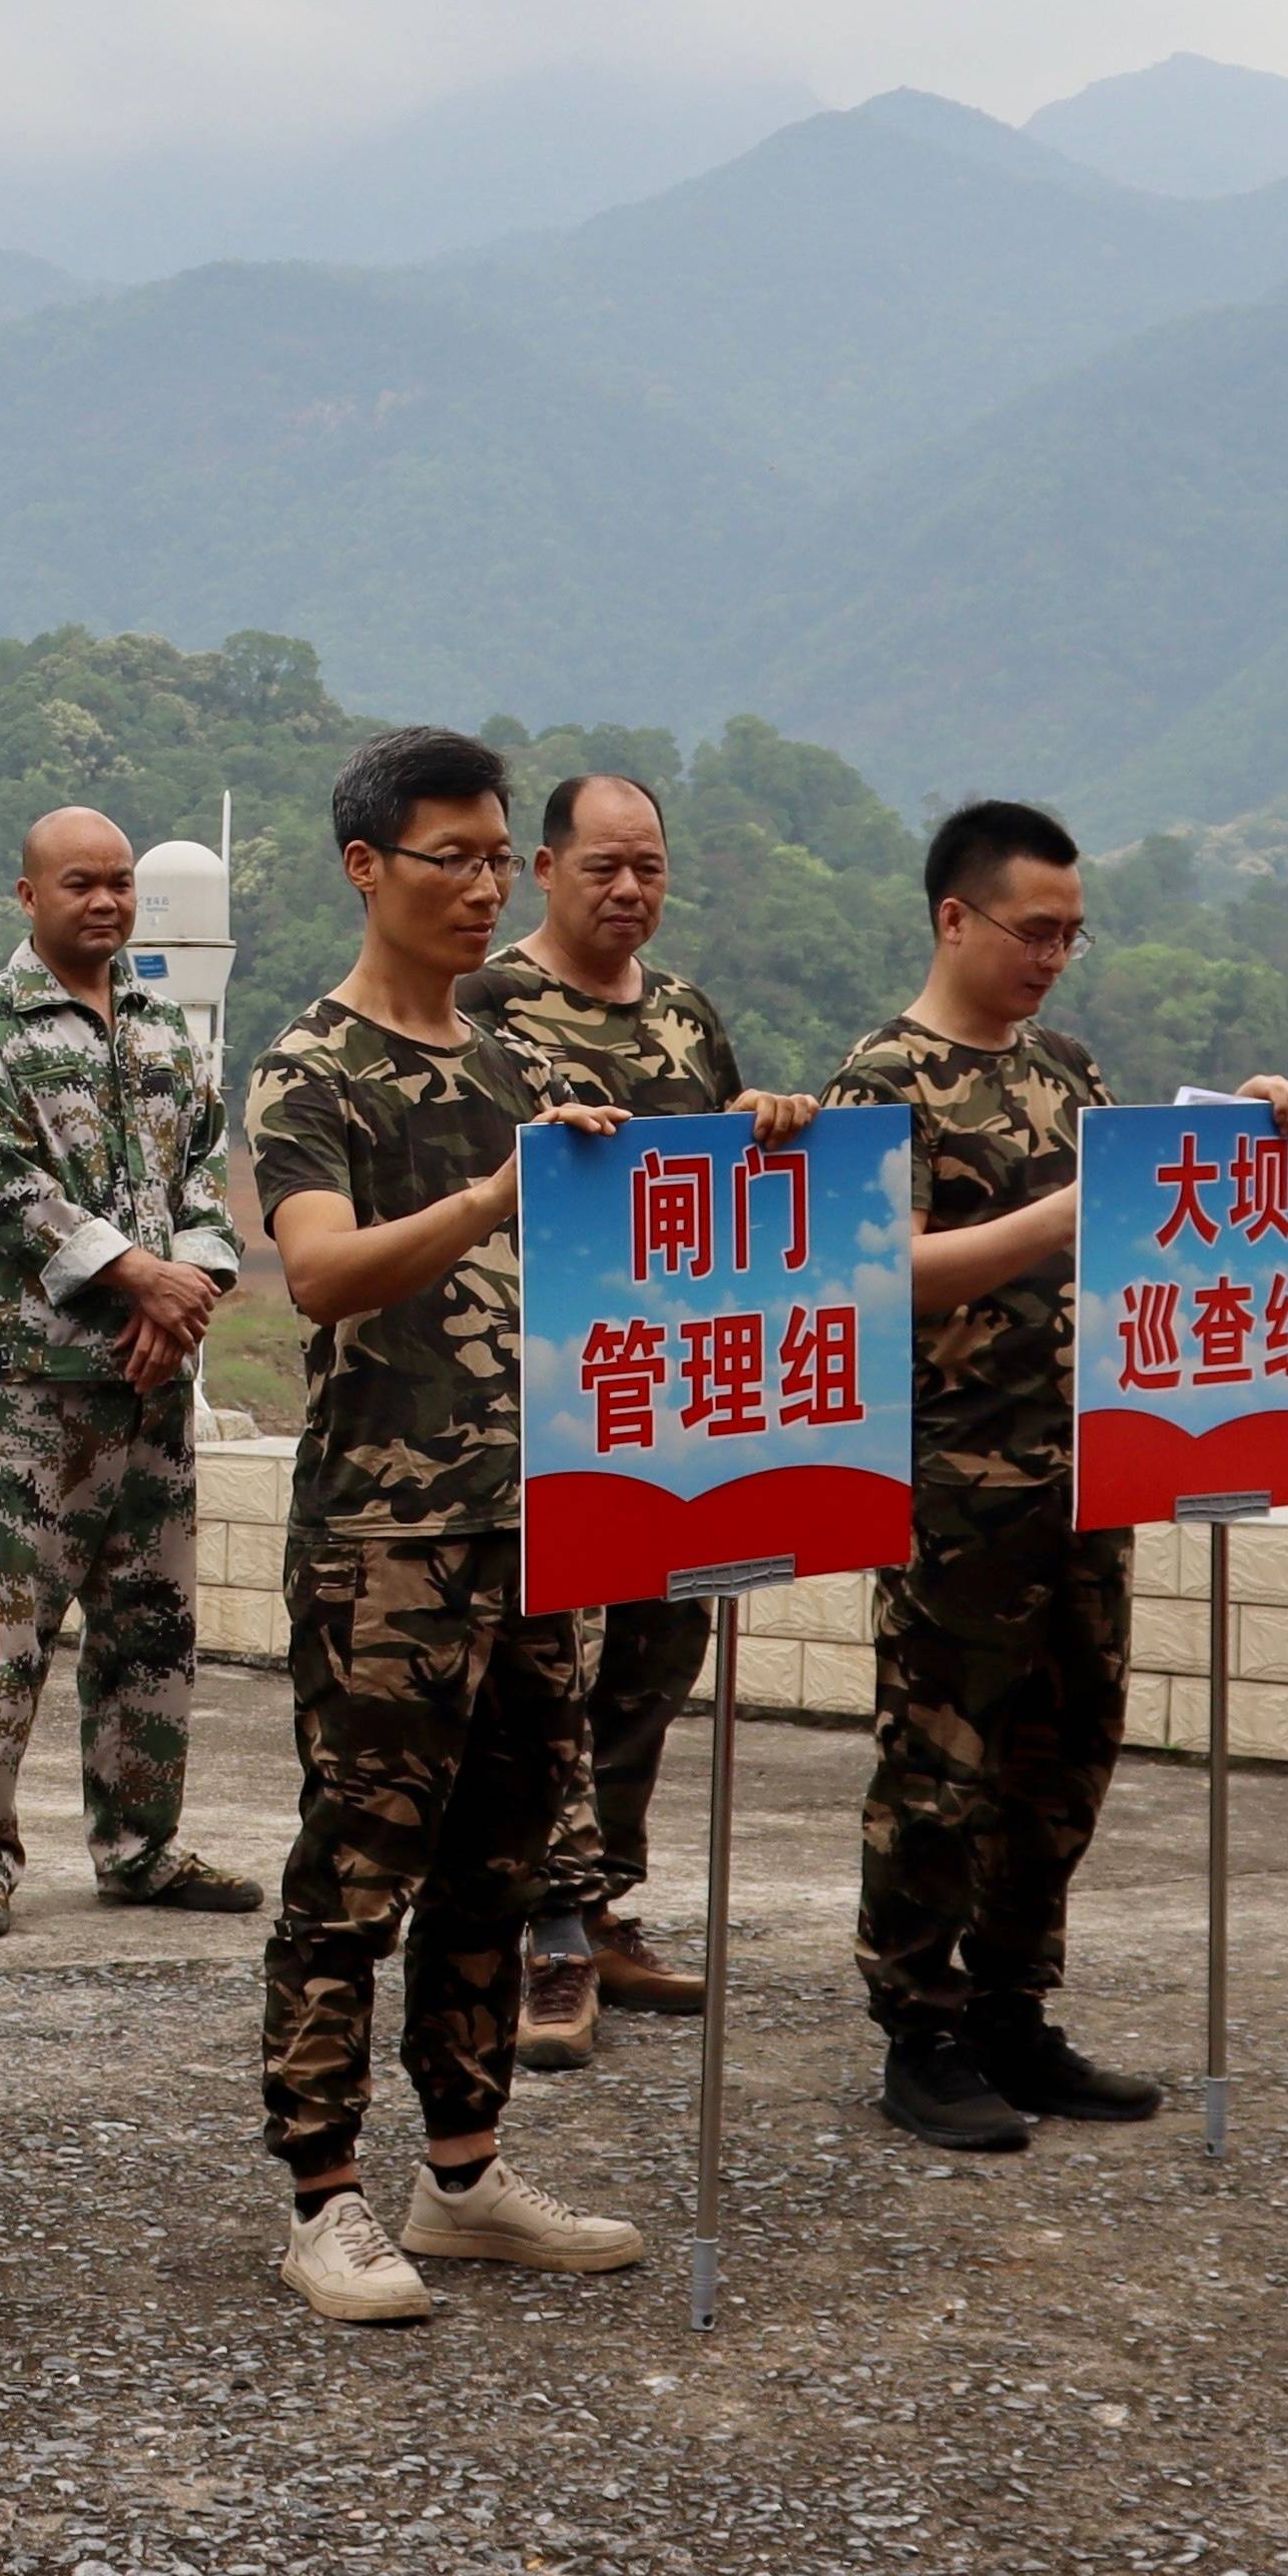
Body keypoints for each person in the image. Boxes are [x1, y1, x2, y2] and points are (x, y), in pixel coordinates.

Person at [246, 727, 814, 2323]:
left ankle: (468, 2172)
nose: (488, 887)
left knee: (499, 1869)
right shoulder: (317, 1069)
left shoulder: (533, 1071)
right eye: (455, 858)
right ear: (368, 868)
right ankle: (322, 2199)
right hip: (387, 1543)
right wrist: (490, 1201)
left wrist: (758, 1146)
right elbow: (321, 1271)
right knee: (353, 1880)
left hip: (541, 1530)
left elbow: (658, 1253)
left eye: (501, 855)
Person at [828, 800, 1288, 2156]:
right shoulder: (886, 1080)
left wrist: (1263, 1127)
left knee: (1065, 1759)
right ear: (955, 917)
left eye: (1071, 936)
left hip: (1083, 1477)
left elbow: (1152, 1228)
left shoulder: (1068, 1069)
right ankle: (918, 2029)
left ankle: (1012, 2011)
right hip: (953, 1485)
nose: (1052, 955)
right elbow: (887, 1272)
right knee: (941, 1768)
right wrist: (1059, 1215)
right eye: (1034, 929)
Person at [459, 769, 749, 2065]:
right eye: (603, 869)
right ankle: (550, 1935)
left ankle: (605, 1901)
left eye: (650, 868)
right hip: (538, 1405)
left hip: (671, 1407)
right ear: (544, 871)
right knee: (549, 1683)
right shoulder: (487, 1012)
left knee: (649, 1670)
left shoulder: (688, 1020)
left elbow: (725, 1194)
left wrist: (768, 1129)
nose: (629, 891)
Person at [0, 806, 255, 1937]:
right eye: (80, 884)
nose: (106, 902)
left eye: (119, 883)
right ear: (29, 895)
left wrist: (187, 1287)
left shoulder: (165, 1026)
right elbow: (3, 1184)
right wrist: (136, 1279)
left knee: (152, 1628)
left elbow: (209, 1165)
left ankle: (141, 1846)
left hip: (154, 1384)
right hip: (37, 1388)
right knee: (7, 1633)